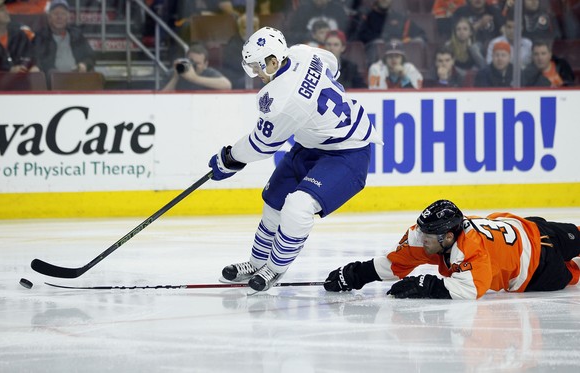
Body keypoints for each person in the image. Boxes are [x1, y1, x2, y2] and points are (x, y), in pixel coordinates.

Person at [208, 27, 382, 293]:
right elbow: (332, 67)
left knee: (297, 207)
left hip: (349, 153)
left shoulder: (279, 98)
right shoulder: (301, 52)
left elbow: (261, 145)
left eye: (258, 67)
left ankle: (274, 268)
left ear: (274, 61)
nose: (256, 74)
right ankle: (256, 262)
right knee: (274, 203)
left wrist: (228, 158)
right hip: (312, 144)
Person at [324, 199, 580, 300]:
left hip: (535, 238)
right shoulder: (426, 237)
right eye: (422, 230)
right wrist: (357, 274)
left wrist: (428, 286)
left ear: (448, 237)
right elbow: (395, 263)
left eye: (428, 235)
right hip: (538, 266)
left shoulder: (470, 249)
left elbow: (470, 288)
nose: (421, 238)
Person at [33, 0, 95, 74]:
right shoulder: (40, 37)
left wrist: (84, 65)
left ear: (68, 17)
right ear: (49, 17)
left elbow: (90, 57)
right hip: (52, 80)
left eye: (63, 14)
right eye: (56, 14)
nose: (59, 17)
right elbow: (36, 61)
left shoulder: (77, 34)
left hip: (76, 78)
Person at [162, 42, 232, 91]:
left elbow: (227, 85)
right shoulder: (175, 72)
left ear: (205, 64)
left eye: (197, 63)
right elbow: (161, 97)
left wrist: (194, 78)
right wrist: (175, 77)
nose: (193, 66)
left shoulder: (209, 72)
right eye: (191, 62)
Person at [221, 13, 261, 89]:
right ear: (240, 28)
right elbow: (237, 65)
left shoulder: (265, 42)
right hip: (239, 78)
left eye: (254, 27)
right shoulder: (233, 44)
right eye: (246, 27)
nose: (252, 30)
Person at [0, 0, 38, 72]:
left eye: (6, 9)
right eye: (2, 10)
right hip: (1, 80)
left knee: (36, 72)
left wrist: (30, 66)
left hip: (20, 79)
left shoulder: (18, 34)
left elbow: (30, 55)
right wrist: (9, 70)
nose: (7, 12)